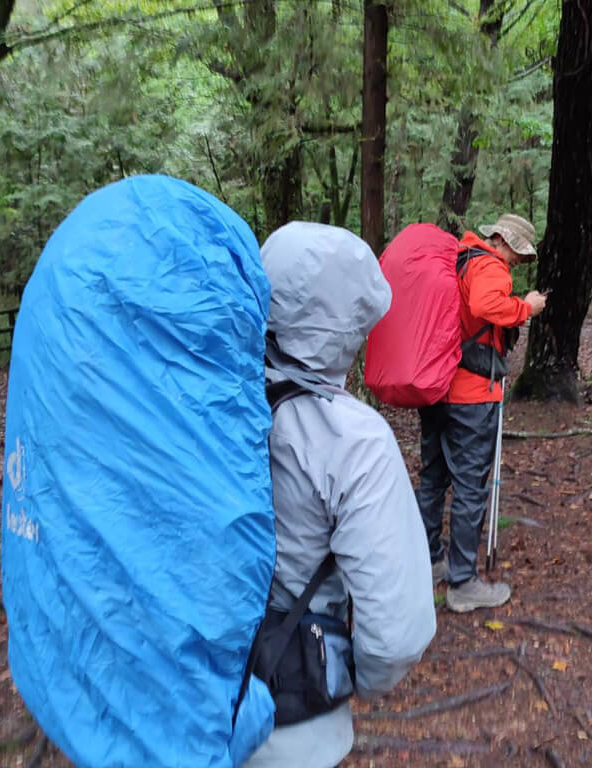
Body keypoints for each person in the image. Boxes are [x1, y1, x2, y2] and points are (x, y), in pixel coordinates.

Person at [244, 222, 437, 768]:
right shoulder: (354, 440)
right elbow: (396, 634)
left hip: (180, 694)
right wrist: (363, 681)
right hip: (291, 717)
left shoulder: (207, 405)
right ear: (350, 325)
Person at [416, 213, 548, 613]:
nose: (516, 264)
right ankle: (463, 583)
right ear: (505, 242)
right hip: (472, 395)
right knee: (471, 487)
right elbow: (487, 304)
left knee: (434, 478)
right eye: (519, 257)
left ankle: (429, 560)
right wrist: (526, 307)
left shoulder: (457, 259)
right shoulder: (489, 265)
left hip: (436, 387)